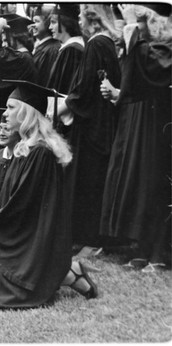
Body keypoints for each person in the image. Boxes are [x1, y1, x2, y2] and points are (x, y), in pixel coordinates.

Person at [0, 81, 98, 309]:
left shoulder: (39, 153)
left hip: (27, 237)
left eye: (12, 107)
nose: (6, 112)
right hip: (11, 229)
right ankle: (66, 274)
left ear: (26, 114)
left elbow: (21, 205)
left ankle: (62, 274)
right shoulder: (22, 151)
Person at [99, 4, 172, 271]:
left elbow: (154, 69)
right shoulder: (150, 45)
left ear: (153, 22)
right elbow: (138, 81)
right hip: (145, 119)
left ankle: (159, 254)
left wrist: (130, 26)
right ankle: (142, 248)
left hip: (162, 123)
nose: (133, 27)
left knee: (156, 184)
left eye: (140, 22)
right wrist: (120, 94)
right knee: (143, 183)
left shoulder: (167, 45)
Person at [55, 4, 121, 248]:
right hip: (103, 121)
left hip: (91, 125)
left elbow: (82, 91)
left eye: (82, 17)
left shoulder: (96, 43)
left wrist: (57, 108)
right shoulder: (108, 42)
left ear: (92, 20)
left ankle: (86, 239)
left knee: (86, 181)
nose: (79, 22)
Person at [0, 16, 38, 155]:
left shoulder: (23, 58)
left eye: (5, 40)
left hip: (16, 125)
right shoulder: (23, 59)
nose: (4, 46)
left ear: (15, 38)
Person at [29, 4, 60, 87]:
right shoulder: (39, 46)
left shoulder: (53, 49)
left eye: (37, 21)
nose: (32, 25)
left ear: (47, 23)